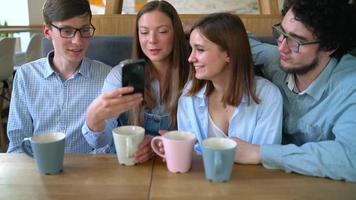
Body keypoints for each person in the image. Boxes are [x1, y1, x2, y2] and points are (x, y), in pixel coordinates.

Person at [237, 0, 356, 182]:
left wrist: (259, 153)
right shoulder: (275, 62)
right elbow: (240, 41)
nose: (282, 47)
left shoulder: (350, 86)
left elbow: (350, 159)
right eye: (281, 33)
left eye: (296, 40)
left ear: (329, 47)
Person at [82, 0, 190, 163]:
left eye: (162, 31)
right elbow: (99, 142)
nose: (152, 40)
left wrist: (158, 145)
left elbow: (201, 137)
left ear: (176, 34)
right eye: (144, 32)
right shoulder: (121, 74)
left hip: (173, 166)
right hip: (127, 164)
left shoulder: (193, 75)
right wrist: (93, 120)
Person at [7, 0, 111, 153]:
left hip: (90, 172)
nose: (78, 41)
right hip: (38, 169)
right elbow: (17, 144)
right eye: (67, 31)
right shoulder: (26, 76)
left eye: (84, 30)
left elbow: (109, 145)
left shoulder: (107, 77)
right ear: (47, 32)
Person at [177, 13, 282, 154]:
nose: (190, 58)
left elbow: (267, 158)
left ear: (229, 53)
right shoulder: (189, 94)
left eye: (200, 50)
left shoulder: (268, 96)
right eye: (191, 49)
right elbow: (190, 155)